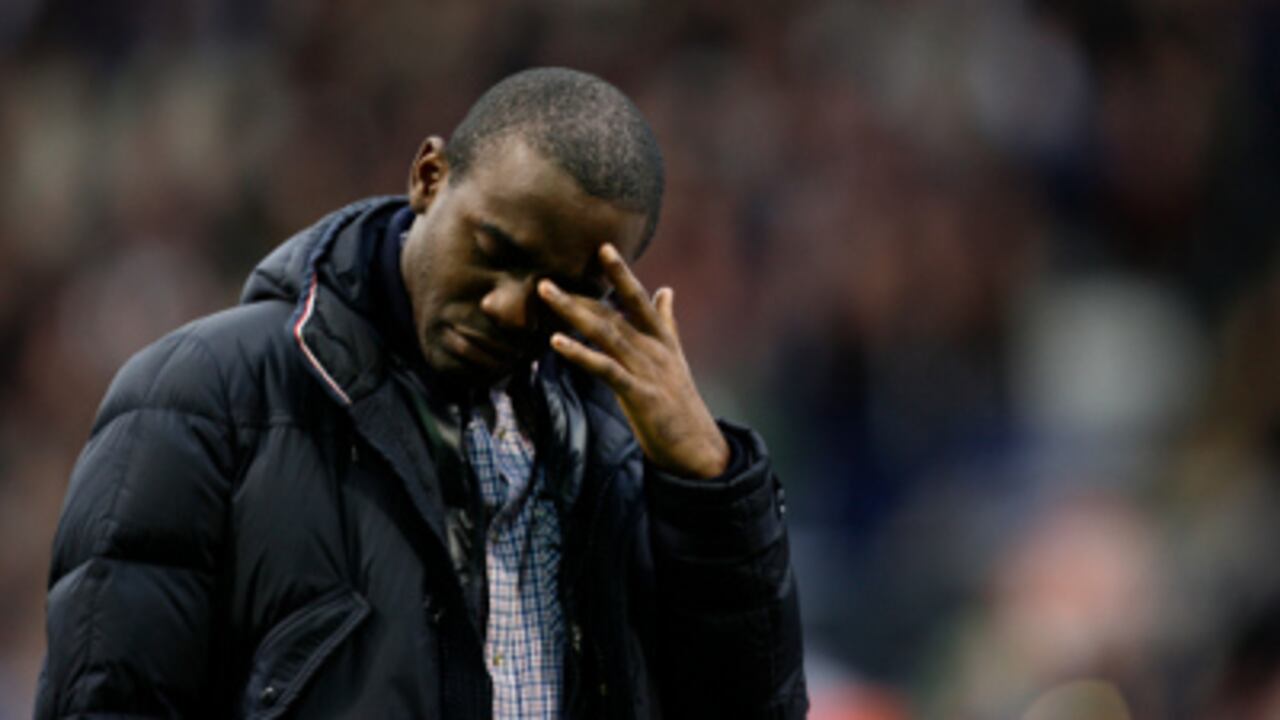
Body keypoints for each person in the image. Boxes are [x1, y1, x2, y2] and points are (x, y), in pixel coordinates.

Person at [37, 67, 807, 718]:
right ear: (429, 177)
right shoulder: (204, 395)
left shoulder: (623, 455)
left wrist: (709, 489)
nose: (510, 305)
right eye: (494, 250)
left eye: (559, 287)